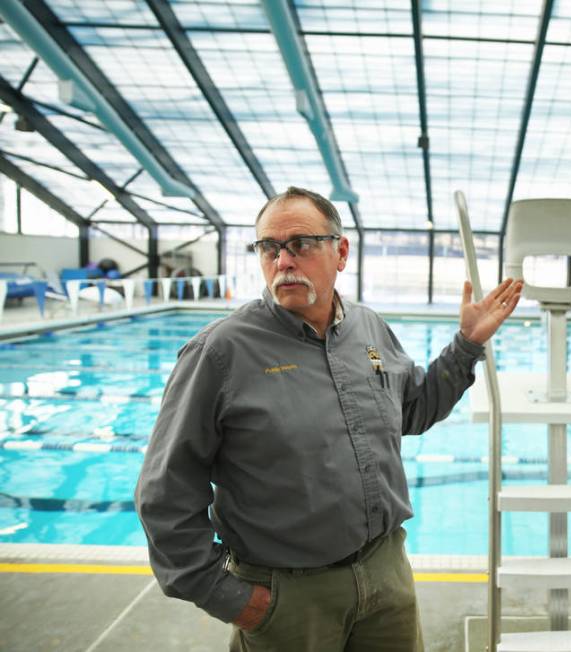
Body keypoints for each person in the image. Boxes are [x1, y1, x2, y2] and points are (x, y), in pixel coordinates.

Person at [135, 186, 523, 651]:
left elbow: (414, 409)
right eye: (269, 248)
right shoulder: (219, 354)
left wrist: (466, 344)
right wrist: (229, 596)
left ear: (341, 252)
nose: (283, 261)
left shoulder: (367, 328)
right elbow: (165, 491)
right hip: (288, 596)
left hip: (385, 575)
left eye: (300, 244)